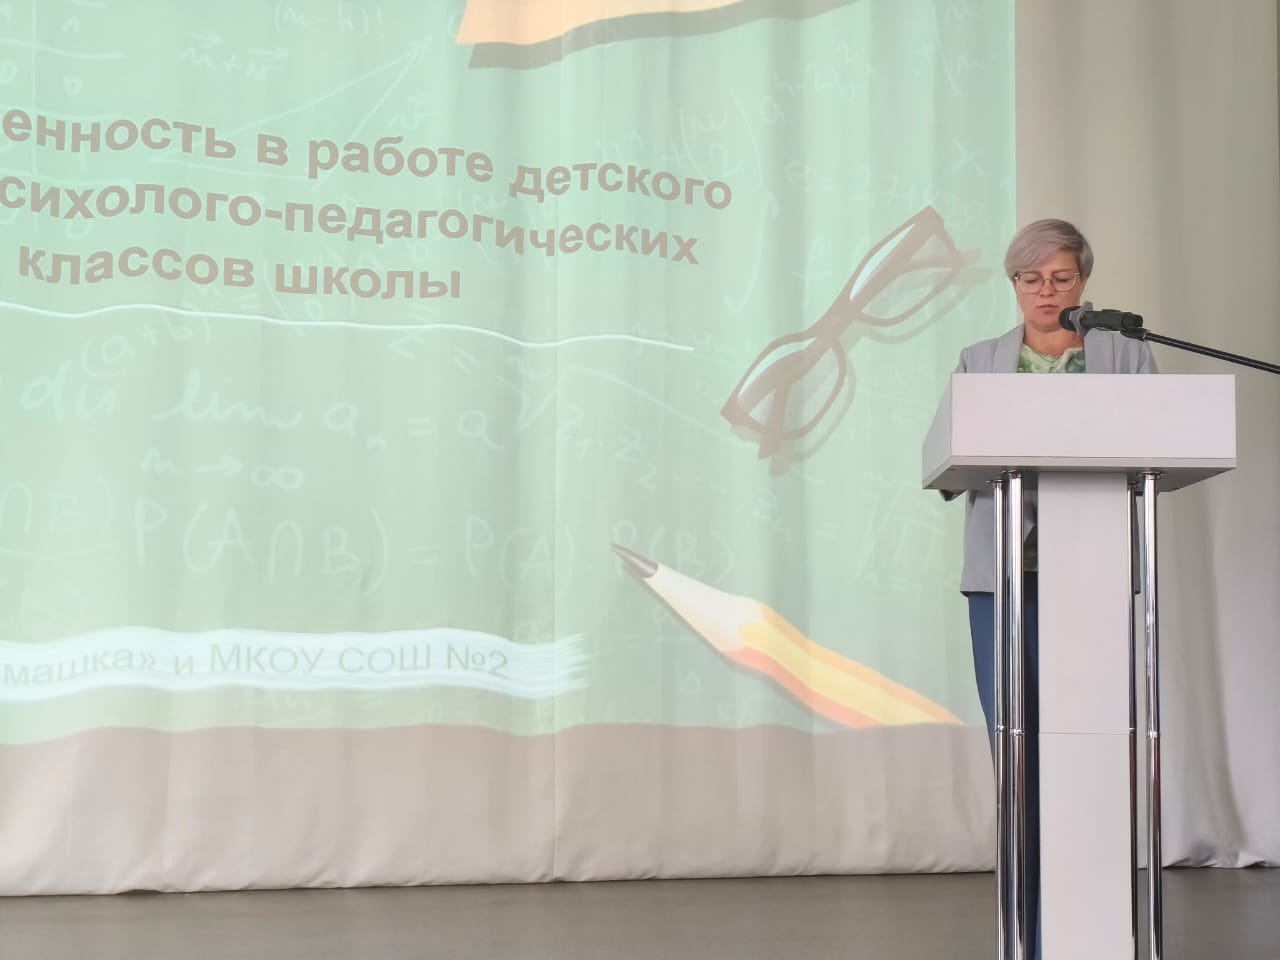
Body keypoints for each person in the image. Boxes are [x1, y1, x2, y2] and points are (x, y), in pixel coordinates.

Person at [948, 218, 1157, 956]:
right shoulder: (980, 360)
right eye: (1031, 279)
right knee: (1019, 758)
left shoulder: (1125, 354)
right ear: (1013, 285)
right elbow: (951, 460)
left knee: (1089, 755)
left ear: (1083, 283)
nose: (1046, 291)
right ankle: (1030, 936)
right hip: (1002, 586)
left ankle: (1091, 932)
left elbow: (1157, 441)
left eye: (1061, 278)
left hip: (1092, 580)